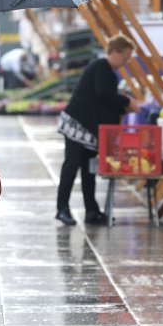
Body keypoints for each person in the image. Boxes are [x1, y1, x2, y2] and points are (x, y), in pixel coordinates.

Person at [56, 34, 140, 226]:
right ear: (116, 52)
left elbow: (104, 100)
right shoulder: (102, 67)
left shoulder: (106, 69)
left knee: (88, 170)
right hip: (78, 125)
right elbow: (103, 93)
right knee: (72, 165)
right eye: (125, 57)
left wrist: (123, 106)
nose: (126, 62)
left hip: (89, 129)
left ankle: (92, 211)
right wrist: (126, 102)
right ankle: (62, 208)